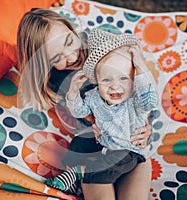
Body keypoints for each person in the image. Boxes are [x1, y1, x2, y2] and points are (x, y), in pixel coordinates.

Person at [17, 8, 153, 200]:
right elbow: (87, 114)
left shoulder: (102, 47)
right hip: (96, 152)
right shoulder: (59, 80)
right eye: (57, 58)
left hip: (133, 145)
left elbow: (139, 87)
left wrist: (145, 125)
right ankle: (75, 175)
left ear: (72, 30)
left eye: (69, 41)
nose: (71, 57)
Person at [44, 29, 159, 196]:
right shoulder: (94, 97)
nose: (114, 86)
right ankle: (77, 176)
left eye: (123, 78)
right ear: (97, 82)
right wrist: (73, 93)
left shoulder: (134, 98)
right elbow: (78, 111)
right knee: (78, 146)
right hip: (103, 147)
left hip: (130, 149)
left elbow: (149, 100)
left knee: (121, 158)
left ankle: (81, 171)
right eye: (106, 80)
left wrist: (140, 67)